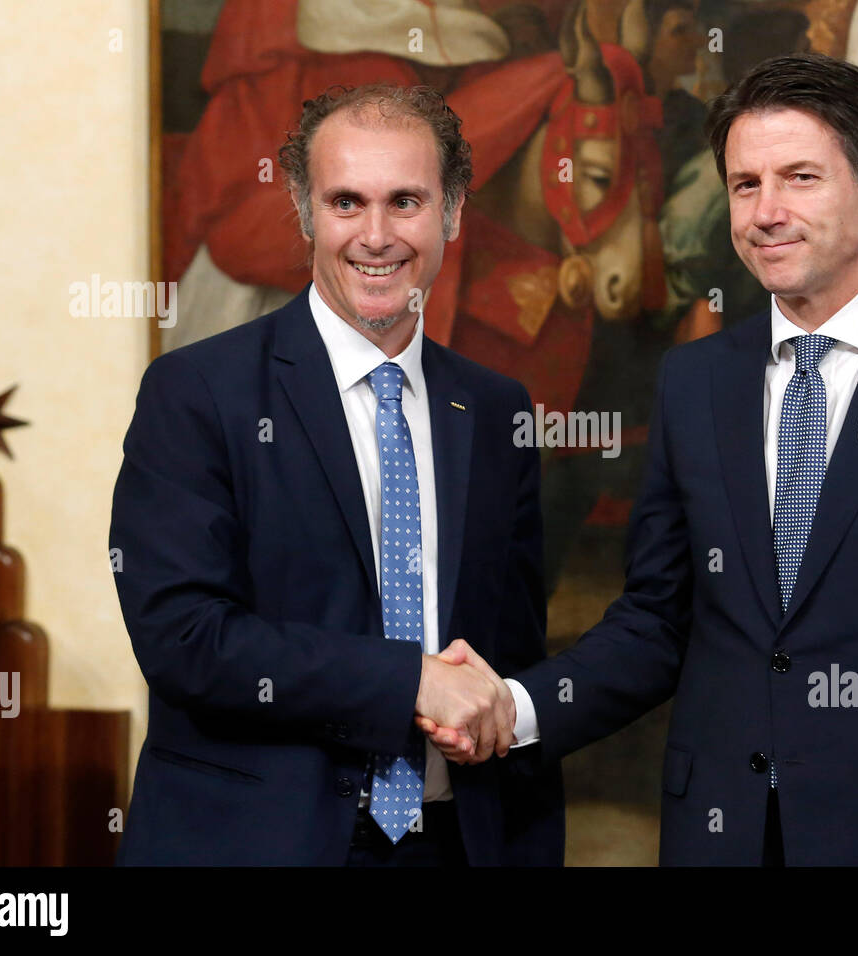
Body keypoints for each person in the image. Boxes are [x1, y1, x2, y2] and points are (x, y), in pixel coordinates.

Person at [422, 52, 858, 866]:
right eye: (745, 185)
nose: (766, 212)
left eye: (800, 178)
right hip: (720, 836)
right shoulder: (695, 381)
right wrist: (515, 705)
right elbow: (655, 623)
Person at [110, 82, 563, 866]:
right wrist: (409, 682)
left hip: (456, 844)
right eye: (347, 201)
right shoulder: (197, 393)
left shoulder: (495, 410)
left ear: (453, 210)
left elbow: (511, 656)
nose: (377, 235)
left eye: (407, 202)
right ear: (303, 208)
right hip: (255, 848)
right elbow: (185, 639)